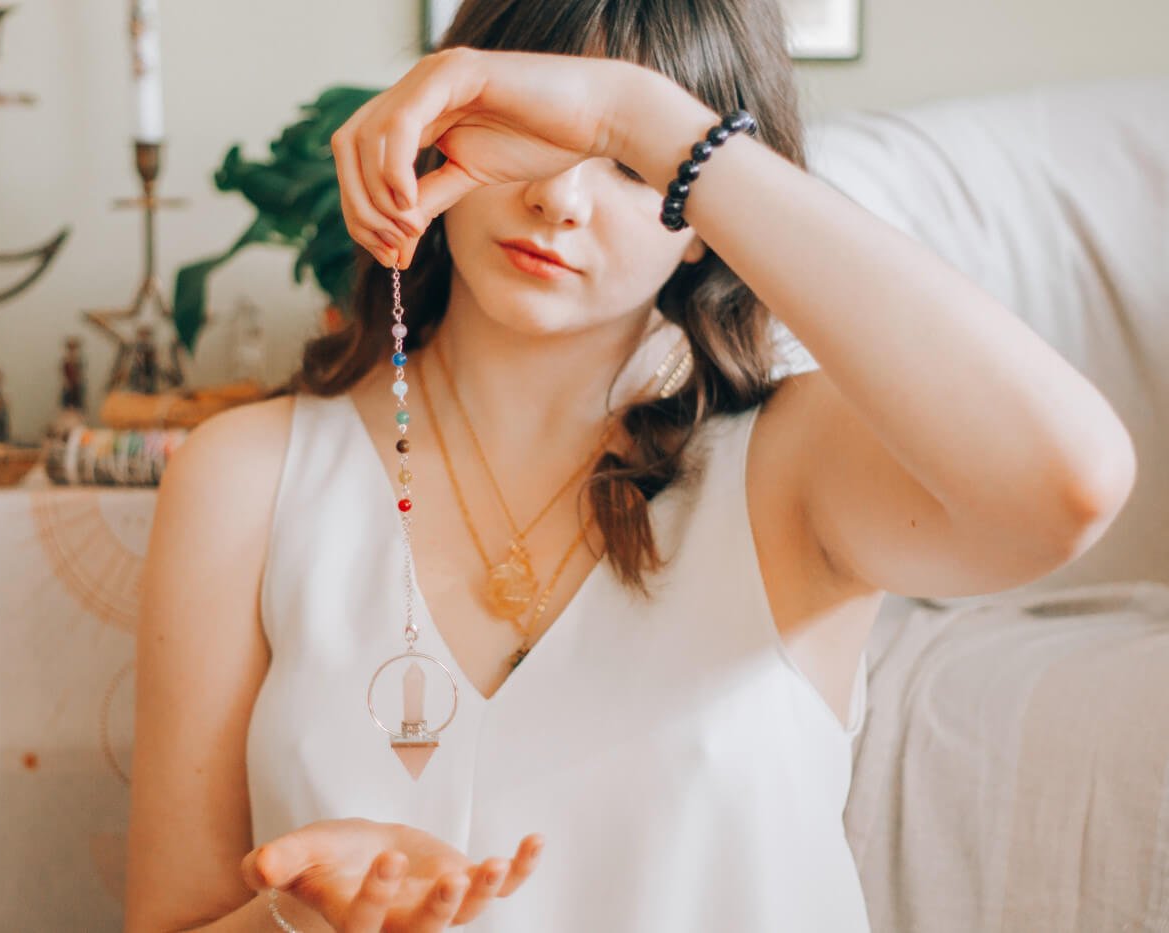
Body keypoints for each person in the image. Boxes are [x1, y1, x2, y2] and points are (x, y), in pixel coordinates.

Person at [122, 1, 1136, 931]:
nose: (560, 198)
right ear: (444, 124)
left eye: (627, 168)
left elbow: (1067, 486)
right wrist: (299, 921)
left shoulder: (794, 470)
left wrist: (643, 117)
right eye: (538, 134)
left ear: (703, 224)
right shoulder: (244, 478)